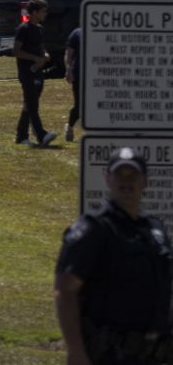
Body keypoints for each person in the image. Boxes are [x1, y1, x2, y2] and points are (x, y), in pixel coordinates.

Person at [55, 147, 172, 365]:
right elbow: (65, 291)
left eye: (133, 175)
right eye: (119, 174)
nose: (126, 182)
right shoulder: (94, 229)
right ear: (107, 179)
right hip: (111, 354)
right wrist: (75, 351)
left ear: (144, 180)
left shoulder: (154, 229)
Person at [13, 0, 57, 147]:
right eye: (43, 11)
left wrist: (44, 54)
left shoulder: (39, 29)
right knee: (32, 104)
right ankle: (41, 135)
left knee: (30, 103)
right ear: (35, 12)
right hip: (26, 72)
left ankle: (21, 135)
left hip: (38, 71)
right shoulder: (23, 29)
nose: (45, 14)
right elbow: (16, 51)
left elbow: (40, 46)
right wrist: (33, 58)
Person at [65, 26, 82, 142]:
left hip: (96, 75)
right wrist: (68, 70)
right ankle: (70, 127)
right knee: (79, 106)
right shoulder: (76, 33)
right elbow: (68, 53)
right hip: (79, 73)